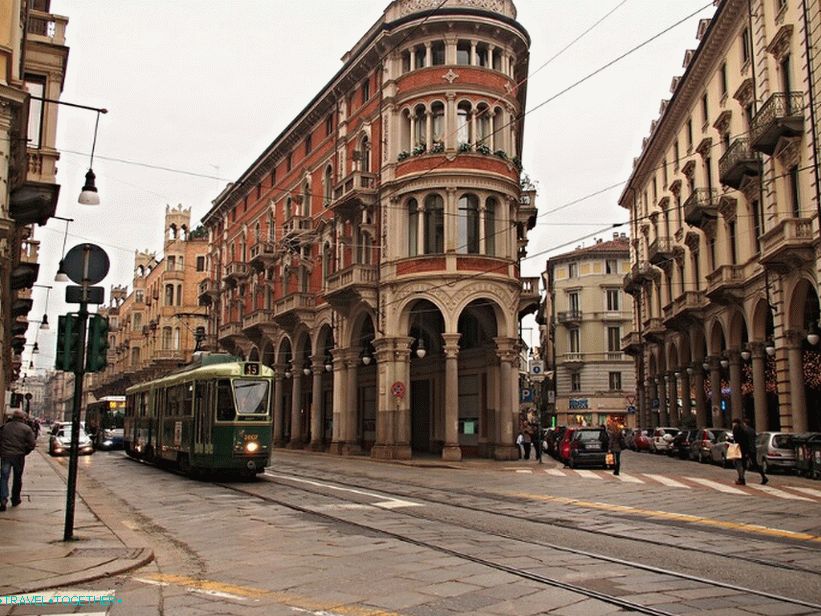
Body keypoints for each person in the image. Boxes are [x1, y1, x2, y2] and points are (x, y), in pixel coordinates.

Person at [0, 410, 37, 511]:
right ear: (23, 418)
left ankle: (3, 499)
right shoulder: (26, 429)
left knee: (4, 477)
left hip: (6, 455)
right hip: (18, 456)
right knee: (17, 478)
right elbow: (32, 444)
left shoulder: (5, 427)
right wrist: (25, 451)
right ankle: (15, 498)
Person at [731, 417, 760, 485]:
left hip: (739, 448)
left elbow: (736, 439)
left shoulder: (736, 428)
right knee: (743, 464)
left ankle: (741, 478)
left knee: (738, 463)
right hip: (745, 449)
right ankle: (741, 478)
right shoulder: (744, 429)